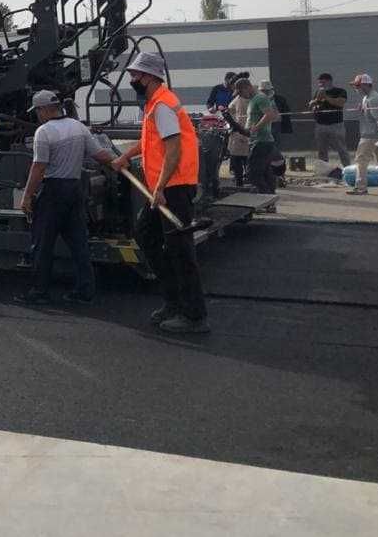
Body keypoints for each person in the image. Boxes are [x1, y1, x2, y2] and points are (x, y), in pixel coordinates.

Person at [109, 52, 208, 334]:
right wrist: (125, 156)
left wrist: (161, 187)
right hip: (166, 187)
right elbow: (150, 142)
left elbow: (173, 148)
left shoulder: (163, 105)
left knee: (180, 250)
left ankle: (194, 316)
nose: (132, 80)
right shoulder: (155, 104)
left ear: (150, 77)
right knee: (146, 235)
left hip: (174, 187)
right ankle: (174, 301)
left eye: (136, 75)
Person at [16, 90, 115, 305]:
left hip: (53, 191)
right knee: (79, 243)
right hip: (76, 189)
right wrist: (120, 162)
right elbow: (100, 155)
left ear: (43, 110)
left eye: (37, 111)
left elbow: (39, 167)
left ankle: (40, 292)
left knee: (43, 244)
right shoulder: (78, 127)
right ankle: (85, 291)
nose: (37, 115)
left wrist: (26, 197)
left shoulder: (44, 132)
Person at [238, 78, 280, 194]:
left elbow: (270, 115)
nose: (242, 96)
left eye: (241, 93)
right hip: (259, 141)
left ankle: (265, 197)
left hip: (262, 141)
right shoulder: (254, 100)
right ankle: (270, 200)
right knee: (265, 172)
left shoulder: (260, 98)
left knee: (253, 173)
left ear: (247, 87)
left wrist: (255, 128)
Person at [310, 72, 350, 167]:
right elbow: (313, 105)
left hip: (336, 125)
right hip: (320, 125)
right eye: (319, 83)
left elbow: (340, 103)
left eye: (323, 82)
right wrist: (315, 103)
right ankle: (324, 169)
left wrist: (326, 97)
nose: (321, 85)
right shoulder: (318, 92)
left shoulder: (339, 91)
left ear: (330, 81)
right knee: (322, 150)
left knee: (341, 149)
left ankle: (347, 168)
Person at [225, 85, 252, 186]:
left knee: (238, 160)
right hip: (244, 132)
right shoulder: (247, 100)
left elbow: (229, 112)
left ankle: (240, 182)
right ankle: (246, 181)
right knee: (245, 160)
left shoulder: (239, 101)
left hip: (239, 132)